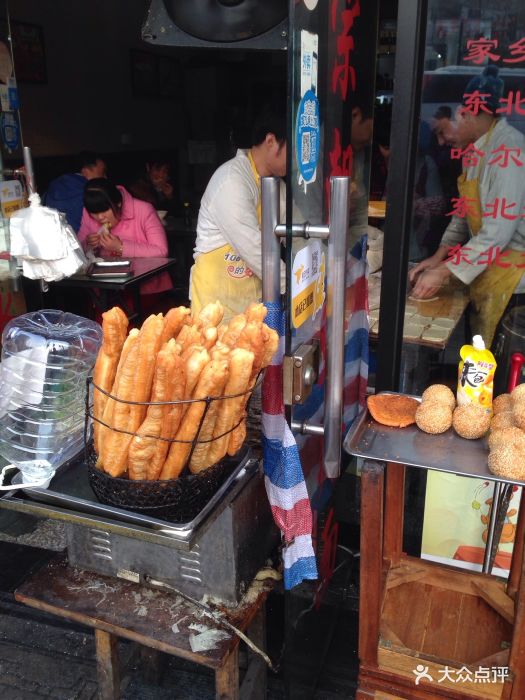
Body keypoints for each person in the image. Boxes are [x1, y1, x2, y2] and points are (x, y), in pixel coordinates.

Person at [409, 66, 525, 346]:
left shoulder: (509, 151)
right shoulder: (474, 151)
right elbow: (463, 213)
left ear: (477, 113)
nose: (457, 120)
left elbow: (497, 233)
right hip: (487, 274)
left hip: (514, 284)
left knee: (499, 366)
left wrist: (444, 271)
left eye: (463, 113)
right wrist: (438, 257)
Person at [190, 107, 286, 321]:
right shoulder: (232, 180)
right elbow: (255, 248)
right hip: (216, 305)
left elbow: (294, 235)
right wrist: (297, 288)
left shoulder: (278, 187)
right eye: (294, 149)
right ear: (271, 142)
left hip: (250, 302)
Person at [78, 178, 170, 295]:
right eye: (94, 212)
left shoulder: (143, 210)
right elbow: (77, 249)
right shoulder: (87, 214)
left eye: (104, 210)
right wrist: (87, 243)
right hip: (104, 288)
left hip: (145, 289)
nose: (100, 217)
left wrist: (121, 247)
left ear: (118, 203)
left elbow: (161, 250)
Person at [43, 151, 106, 232]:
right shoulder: (92, 194)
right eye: (102, 172)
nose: (105, 177)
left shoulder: (52, 186)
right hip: (77, 241)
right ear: (86, 171)